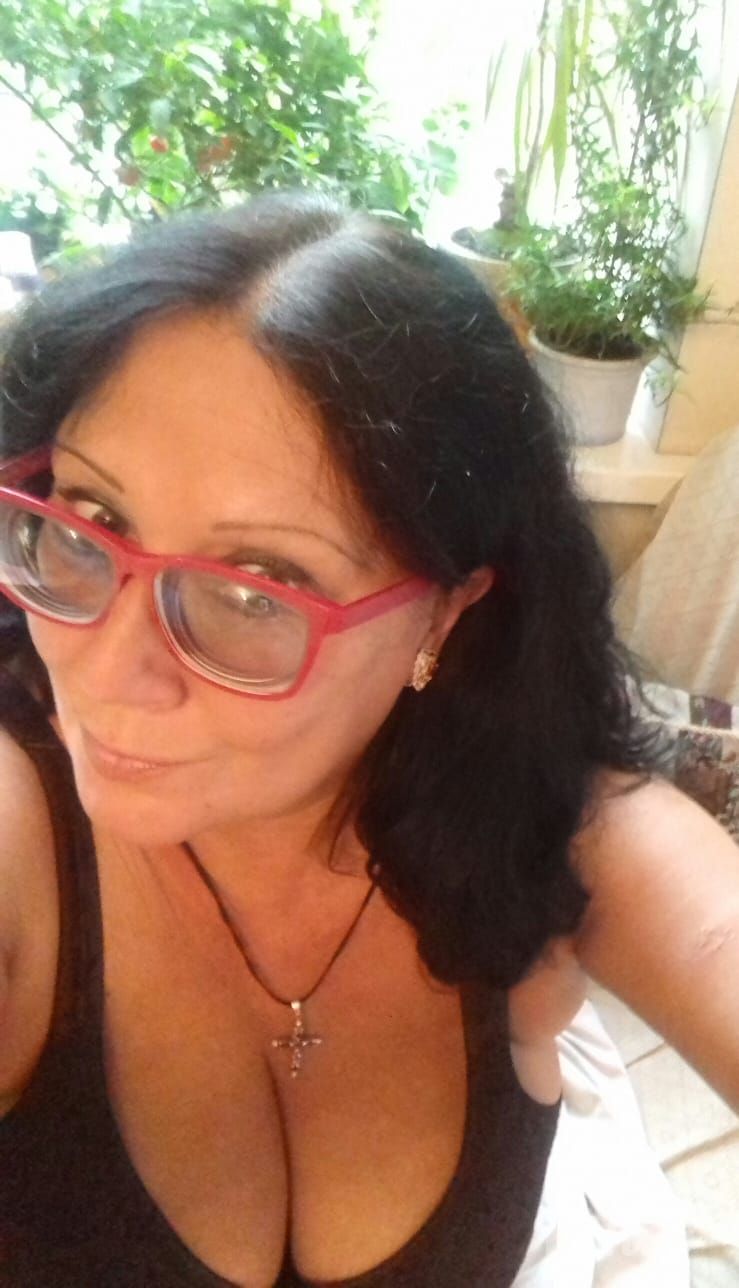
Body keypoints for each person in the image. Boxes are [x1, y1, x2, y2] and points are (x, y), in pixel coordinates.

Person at [0, 191, 736, 1288]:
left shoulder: (548, 818)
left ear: (445, 616)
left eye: (257, 589)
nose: (107, 671)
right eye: (90, 524)